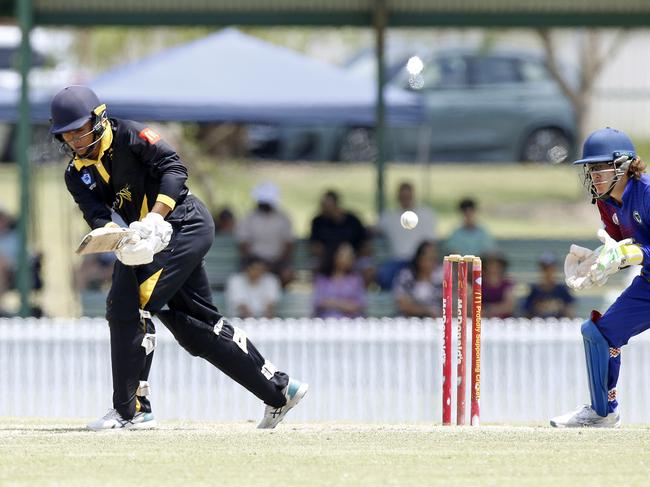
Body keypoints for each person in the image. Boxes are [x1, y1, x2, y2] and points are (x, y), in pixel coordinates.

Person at [50, 85, 307, 430]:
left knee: (128, 303)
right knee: (198, 329)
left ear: (99, 119)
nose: (75, 141)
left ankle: (133, 410)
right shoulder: (75, 173)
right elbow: (96, 215)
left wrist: (155, 217)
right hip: (145, 238)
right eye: (67, 136)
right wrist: (120, 238)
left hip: (184, 224)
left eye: (79, 131)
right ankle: (280, 390)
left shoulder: (132, 136)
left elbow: (174, 169)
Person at [551, 127, 650, 428]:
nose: (593, 176)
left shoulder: (647, 192)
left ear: (622, 165)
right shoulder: (607, 203)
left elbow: (630, 252)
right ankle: (603, 412)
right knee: (600, 333)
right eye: (589, 169)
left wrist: (626, 256)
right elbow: (620, 247)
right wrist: (598, 262)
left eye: (599, 168)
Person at [376, 182, 437, 290]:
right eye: (403, 195)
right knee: (385, 276)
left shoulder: (426, 214)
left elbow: (431, 243)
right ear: (398, 196)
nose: (405, 198)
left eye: (408, 195)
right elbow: (375, 230)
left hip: (419, 260)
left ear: (413, 195)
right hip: (397, 260)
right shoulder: (389, 217)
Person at [234, 182, 294, 287]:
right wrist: (257, 263)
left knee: (287, 274)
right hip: (254, 259)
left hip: (277, 260)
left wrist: (277, 261)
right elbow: (243, 244)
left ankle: (277, 298)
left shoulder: (283, 218)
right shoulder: (248, 218)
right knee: (245, 274)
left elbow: (288, 244)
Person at [309, 190, 371, 281]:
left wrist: (350, 258)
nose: (324, 208)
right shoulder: (318, 221)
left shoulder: (353, 220)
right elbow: (315, 247)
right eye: (323, 205)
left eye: (327, 205)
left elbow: (365, 245)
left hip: (353, 258)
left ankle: (358, 292)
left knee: (368, 270)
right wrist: (334, 258)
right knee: (316, 266)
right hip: (327, 259)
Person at [312, 242, 366, 319]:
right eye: (345, 255)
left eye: (351, 255)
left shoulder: (356, 279)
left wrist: (331, 302)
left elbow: (360, 305)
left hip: (351, 325)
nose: (350, 258)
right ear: (335, 256)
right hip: (326, 325)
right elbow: (318, 302)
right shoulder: (322, 278)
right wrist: (345, 305)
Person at [393, 240, 443, 318]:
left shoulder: (440, 277)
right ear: (419, 259)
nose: (433, 263)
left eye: (435, 259)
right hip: (408, 322)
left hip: (435, 323)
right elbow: (403, 304)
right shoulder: (406, 276)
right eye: (429, 258)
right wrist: (427, 311)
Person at [523, 252, 574, 319]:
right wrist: (538, 308)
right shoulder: (534, 290)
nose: (548, 272)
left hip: (559, 326)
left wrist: (560, 307)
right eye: (545, 269)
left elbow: (570, 314)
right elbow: (526, 315)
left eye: (551, 269)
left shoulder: (562, 290)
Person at [481, 253, 516, 319]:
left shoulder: (508, 283)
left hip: (504, 321)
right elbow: (472, 305)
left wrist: (490, 309)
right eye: (490, 264)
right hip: (482, 319)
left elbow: (509, 306)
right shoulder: (478, 284)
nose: (493, 268)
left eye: (497, 265)